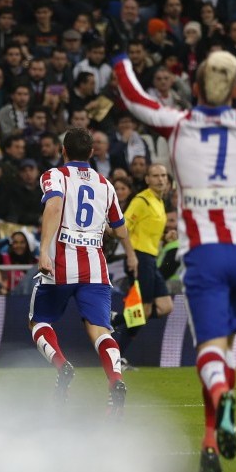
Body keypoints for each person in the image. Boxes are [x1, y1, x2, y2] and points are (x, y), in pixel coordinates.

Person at [114, 0, 236, 472]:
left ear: (194, 86)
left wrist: (118, 58)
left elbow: (134, 98)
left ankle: (225, 400)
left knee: (209, 354)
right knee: (224, 349)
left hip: (205, 255)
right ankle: (210, 445)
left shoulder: (177, 124)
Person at [28, 127, 138, 417]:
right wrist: (120, 241)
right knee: (100, 329)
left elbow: (53, 206)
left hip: (60, 266)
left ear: (63, 151)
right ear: (92, 153)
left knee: (38, 321)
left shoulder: (55, 176)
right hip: (95, 268)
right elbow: (120, 228)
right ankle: (116, 380)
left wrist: (43, 251)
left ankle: (61, 364)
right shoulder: (106, 185)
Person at [111, 163, 174, 359]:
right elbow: (123, 229)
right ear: (147, 179)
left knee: (164, 307)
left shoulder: (159, 201)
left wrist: (165, 237)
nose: (160, 179)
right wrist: (131, 256)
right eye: (155, 176)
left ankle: (118, 319)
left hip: (150, 259)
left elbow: (146, 231)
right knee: (143, 310)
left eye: (163, 175)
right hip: (139, 258)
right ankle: (117, 356)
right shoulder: (142, 200)